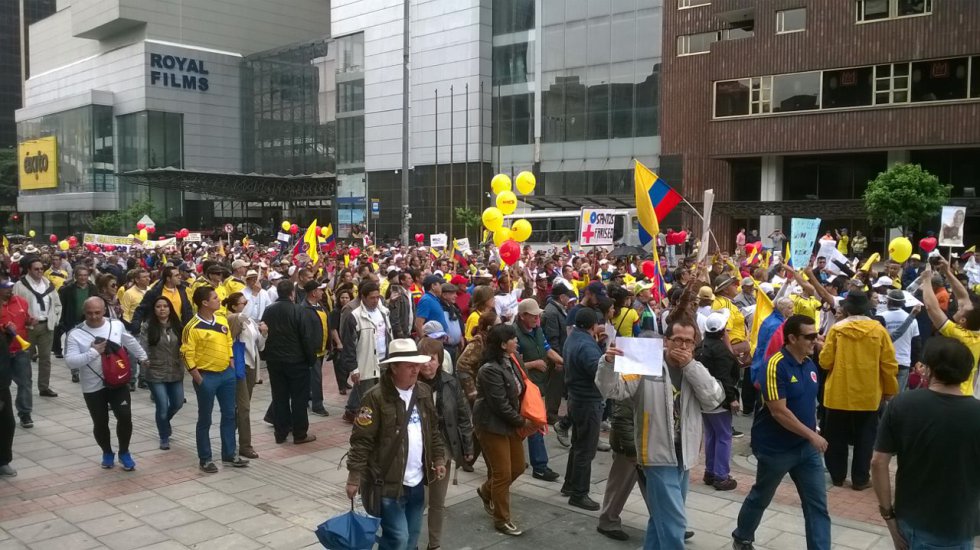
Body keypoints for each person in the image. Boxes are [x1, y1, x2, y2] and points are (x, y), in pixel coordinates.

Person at [597, 318, 724, 549]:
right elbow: (612, 390)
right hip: (655, 451)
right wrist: (607, 363)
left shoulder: (696, 368)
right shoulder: (646, 363)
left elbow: (714, 398)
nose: (683, 346)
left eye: (689, 342)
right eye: (678, 340)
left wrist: (690, 367)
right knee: (674, 521)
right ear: (666, 341)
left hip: (684, 453)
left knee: (662, 517)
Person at [732, 315, 831, 550]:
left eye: (816, 335)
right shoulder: (775, 365)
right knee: (762, 496)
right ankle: (742, 537)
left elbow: (808, 403)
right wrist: (812, 434)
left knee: (817, 505)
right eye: (809, 336)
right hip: (776, 449)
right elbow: (779, 411)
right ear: (792, 338)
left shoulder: (809, 365)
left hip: (806, 450)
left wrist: (812, 430)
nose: (814, 341)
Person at [872, 336, 980, 550]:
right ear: (968, 372)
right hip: (960, 524)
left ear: (929, 370)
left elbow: (878, 462)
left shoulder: (902, 404)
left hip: (911, 519)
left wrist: (888, 515)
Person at [345, 338, 447, 550]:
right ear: (393, 367)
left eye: (417, 365)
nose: (416, 370)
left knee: (412, 538)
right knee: (398, 538)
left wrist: (437, 458)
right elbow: (361, 441)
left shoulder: (423, 392)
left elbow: (432, 431)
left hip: (417, 481)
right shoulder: (374, 397)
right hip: (387, 485)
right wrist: (354, 477)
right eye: (410, 366)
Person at [819, 289, 898, 490]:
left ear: (847, 309)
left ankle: (837, 476)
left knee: (836, 436)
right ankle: (860, 479)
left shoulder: (837, 330)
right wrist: (890, 390)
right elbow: (889, 364)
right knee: (865, 438)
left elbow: (825, 362)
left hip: (838, 392)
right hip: (868, 393)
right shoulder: (879, 331)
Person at [65, 297, 148, 471]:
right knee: (100, 422)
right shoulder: (75, 334)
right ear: (84, 312)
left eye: (97, 312)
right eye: (89, 313)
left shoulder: (115, 324)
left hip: (118, 382)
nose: (94, 317)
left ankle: (124, 452)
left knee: (125, 418)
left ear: (104, 311)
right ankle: (107, 452)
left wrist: (142, 357)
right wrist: (93, 352)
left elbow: (129, 340)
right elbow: (71, 361)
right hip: (93, 386)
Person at [472, 324, 533, 536]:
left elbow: (523, 387)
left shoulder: (512, 360)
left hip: (510, 422)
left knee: (517, 467)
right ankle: (501, 519)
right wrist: (521, 422)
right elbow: (499, 404)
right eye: (512, 339)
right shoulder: (489, 369)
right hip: (492, 425)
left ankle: (485, 491)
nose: (516, 341)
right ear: (502, 344)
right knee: (503, 474)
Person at [182, 286, 250, 472]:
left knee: (229, 414)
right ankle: (205, 458)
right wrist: (198, 378)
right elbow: (187, 354)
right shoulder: (192, 327)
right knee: (205, 418)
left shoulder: (221, 320)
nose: (219, 299)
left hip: (226, 375)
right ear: (204, 303)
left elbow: (228, 342)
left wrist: (230, 364)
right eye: (214, 298)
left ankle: (229, 454)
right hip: (206, 377)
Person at [418, 337, 473, 550]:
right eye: (423, 359)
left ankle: (434, 544)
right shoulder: (411, 384)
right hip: (417, 449)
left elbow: (462, 417)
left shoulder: (450, 383)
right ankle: (409, 541)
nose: (427, 364)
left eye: (431, 359)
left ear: (440, 360)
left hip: (445, 447)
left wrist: (468, 447)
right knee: (417, 501)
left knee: (437, 502)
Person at [596, 335, 651, 542]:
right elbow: (621, 417)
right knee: (620, 485)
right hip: (628, 445)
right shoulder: (630, 377)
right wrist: (631, 449)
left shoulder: (652, 376)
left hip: (642, 443)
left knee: (651, 486)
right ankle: (607, 520)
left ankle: (666, 520)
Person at [261, 280, 318, 444]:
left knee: (280, 397)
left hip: (275, 361)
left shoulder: (269, 310)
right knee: (299, 398)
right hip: (296, 361)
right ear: (292, 294)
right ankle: (300, 433)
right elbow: (306, 337)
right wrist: (311, 359)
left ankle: (281, 433)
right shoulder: (298, 310)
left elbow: (265, 333)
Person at [560, 307, 605, 510]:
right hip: (587, 401)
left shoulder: (573, 338)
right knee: (586, 449)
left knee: (578, 445)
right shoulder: (586, 345)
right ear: (593, 325)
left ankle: (570, 485)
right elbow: (598, 372)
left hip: (576, 399)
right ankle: (579, 493)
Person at [514, 299, 563, 483]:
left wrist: (560, 361)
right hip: (523, 388)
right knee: (531, 424)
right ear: (522, 316)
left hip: (537, 387)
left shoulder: (537, 330)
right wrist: (533, 364)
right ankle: (539, 466)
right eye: (533, 316)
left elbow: (546, 348)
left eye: (538, 315)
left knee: (534, 424)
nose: (537, 318)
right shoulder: (515, 334)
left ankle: (535, 464)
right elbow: (512, 363)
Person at [919, 259, 980, 397]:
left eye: (961, 308)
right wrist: (947, 271)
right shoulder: (976, 334)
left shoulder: (959, 334)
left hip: (952, 394)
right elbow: (963, 296)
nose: (960, 305)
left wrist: (927, 280)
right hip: (968, 394)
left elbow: (931, 307)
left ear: (963, 320)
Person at [697, 312, 741, 491]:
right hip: (719, 398)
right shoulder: (721, 350)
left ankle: (710, 471)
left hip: (703, 399)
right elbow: (725, 377)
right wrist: (732, 399)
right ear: (722, 330)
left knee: (711, 435)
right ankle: (721, 476)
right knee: (723, 436)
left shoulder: (701, 346)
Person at [341, 281, 392, 423]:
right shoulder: (354, 316)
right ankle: (363, 425)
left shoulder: (383, 313)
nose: (376, 301)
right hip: (365, 363)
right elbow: (349, 346)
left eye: (378, 297)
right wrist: (353, 369)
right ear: (363, 297)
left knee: (382, 394)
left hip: (383, 361)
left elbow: (388, 335)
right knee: (366, 398)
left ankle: (375, 421)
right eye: (372, 298)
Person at [138, 297, 184, 450]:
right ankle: (164, 435)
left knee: (177, 403)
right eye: (158, 306)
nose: (162, 309)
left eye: (165, 306)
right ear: (154, 309)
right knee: (162, 406)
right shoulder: (148, 326)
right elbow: (143, 345)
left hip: (175, 370)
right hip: (155, 371)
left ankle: (164, 421)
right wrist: (144, 359)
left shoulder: (177, 325)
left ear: (170, 308)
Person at [225, 292, 267, 459]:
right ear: (235, 306)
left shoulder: (248, 320)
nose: (247, 304)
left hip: (251, 366)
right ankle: (245, 445)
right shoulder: (234, 318)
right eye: (244, 302)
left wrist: (263, 333)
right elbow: (230, 337)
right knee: (244, 407)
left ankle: (228, 436)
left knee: (242, 406)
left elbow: (260, 346)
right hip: (239, 367)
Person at [13, 257, 62, 397]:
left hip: (46, 326)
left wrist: (54, 319)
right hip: (28, 328)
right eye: (36, 269)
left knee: (45, 359)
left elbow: (58, 304)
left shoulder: (48, 284)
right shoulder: (20, 285)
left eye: (41, 268)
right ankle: (25, 386)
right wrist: (24, 321)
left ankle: (44, 387)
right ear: (29, 270)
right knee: (24, 359)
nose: (40, 271)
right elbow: (15, 306)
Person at [1, 280, 35, 428]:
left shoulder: (21, 302)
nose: (10, 290)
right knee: (3, 384)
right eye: (6, 288)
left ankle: (25, 413)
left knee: (25, 382)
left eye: (11, 287)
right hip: (2, 351)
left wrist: (30, 321)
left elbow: (25, 319)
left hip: (20, 349)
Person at [874, 289, 921, 393]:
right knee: (898, 396)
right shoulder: (913, 319)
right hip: (904, 362)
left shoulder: (880, 317)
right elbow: (916, 343)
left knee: (882, 395)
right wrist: (914, 363)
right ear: (903, 303)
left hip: (884, 362)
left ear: (889, 302)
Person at [542, 283, 572, 425]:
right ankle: (551, 414)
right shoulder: (552, 312)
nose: (569, 299)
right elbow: (552, 338)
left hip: (559, 353)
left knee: (558, 385)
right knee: (554, 386)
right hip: (556, 355)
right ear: (561, 297)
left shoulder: (557, 309)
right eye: (567, 297)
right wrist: (557, 360)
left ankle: (552, 412)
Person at [301, 280, 329, 416]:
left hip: (322, 349)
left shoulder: (320, 305)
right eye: (320, 290)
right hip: (312, 351)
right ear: (313, 293)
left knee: (312, 377)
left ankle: (306, 399)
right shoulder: (304, 309)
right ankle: (317, 406)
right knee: (316, 379)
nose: (322, 292)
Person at [328, 286, 353, 395]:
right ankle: (341, 386)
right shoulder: (335, 312)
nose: (344, 300)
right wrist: (338, 343)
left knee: (348, 364)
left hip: (349, 341)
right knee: (340, 366)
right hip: (339, 342)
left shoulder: (351, 311)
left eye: (347, 298)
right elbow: (333, 329)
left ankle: (345, 382)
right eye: (342, 298)